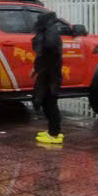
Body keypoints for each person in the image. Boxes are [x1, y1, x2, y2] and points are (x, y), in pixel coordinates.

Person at [32, 11, 64, 145]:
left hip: (50, 74)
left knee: (49, 102)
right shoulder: (51, 30)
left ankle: (54, 134)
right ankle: (53, 131)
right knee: (47, 101)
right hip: (48, 72)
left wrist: (41, 68)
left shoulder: (50, 32)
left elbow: (48, 50)